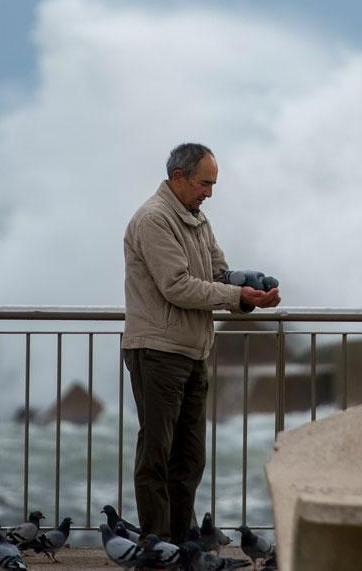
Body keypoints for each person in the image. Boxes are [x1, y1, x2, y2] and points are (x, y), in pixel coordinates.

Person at [122, 142, 281, 543]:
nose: (209, 192)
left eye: (212, 183)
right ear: (179, 178)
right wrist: (235, 296)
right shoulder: (154, 220)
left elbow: (217, 272)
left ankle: (183, 544)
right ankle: (156, 545)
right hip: (157, 351)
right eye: (204, 183)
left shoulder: (196, 219)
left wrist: (248, 289)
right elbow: (176, 287)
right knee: (157, 454)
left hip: (192, 351)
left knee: (190, 457)